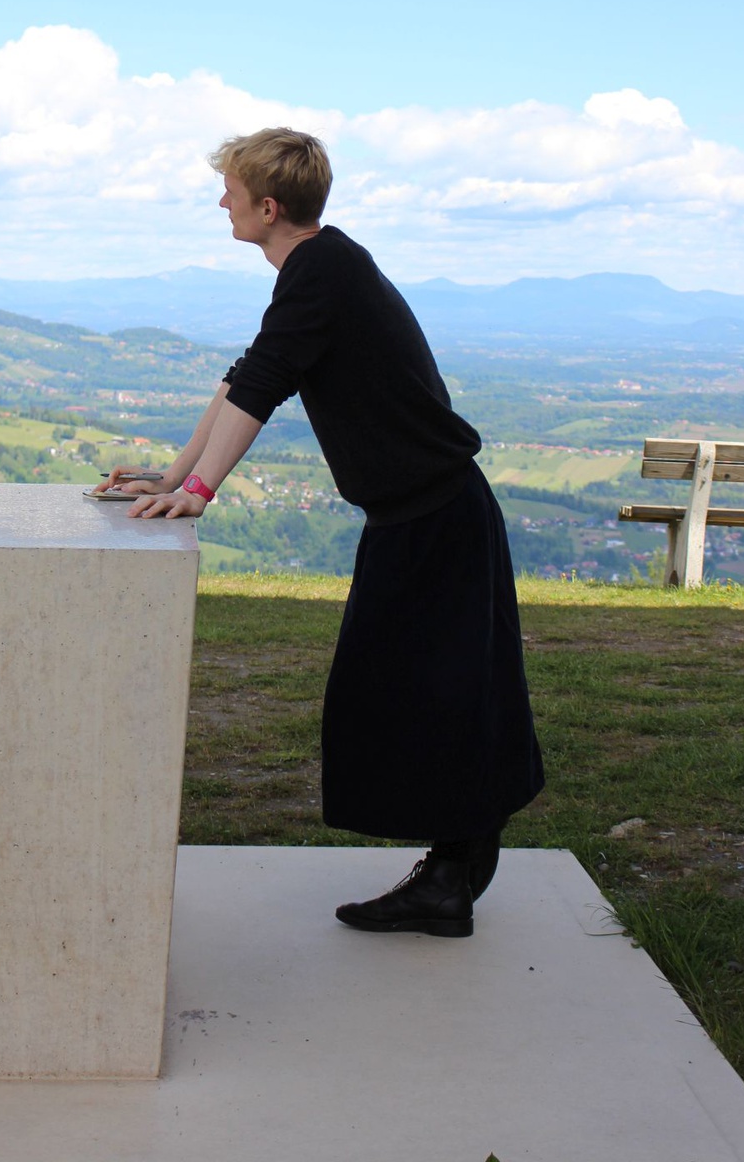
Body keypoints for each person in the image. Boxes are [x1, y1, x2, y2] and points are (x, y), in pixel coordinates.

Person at [96, 127, 543, 937]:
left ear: (268, 207)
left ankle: (451, 877)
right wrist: (175, 474)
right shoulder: (321, 267)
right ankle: (454, 871)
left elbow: (262, 384)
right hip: (424, 515)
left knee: (434, 694)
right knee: (424, 691)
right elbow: (248, 373)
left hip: (435, 519)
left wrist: (198, 490)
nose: (221, 202)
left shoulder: (323, 270)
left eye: (231, 192)